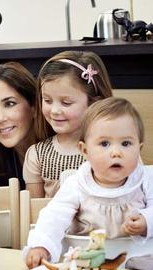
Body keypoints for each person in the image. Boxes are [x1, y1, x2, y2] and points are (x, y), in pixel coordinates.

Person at [24, 97, 153, 268]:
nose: (116, 152)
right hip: (87, 260)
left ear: (139, 148)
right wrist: (41, 245)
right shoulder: (77, 184)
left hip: (136, 260)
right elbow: (54, 215)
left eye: (126, 143)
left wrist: (147, 221)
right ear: (85, 150)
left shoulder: (146, 179)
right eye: (105, 143)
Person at [23, 50, 113, 198]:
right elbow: (33, 212)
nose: (55, 111)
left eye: (66, 102)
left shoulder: (114, 149)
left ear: (94, 103)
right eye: (47, 100)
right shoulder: (37, 155)